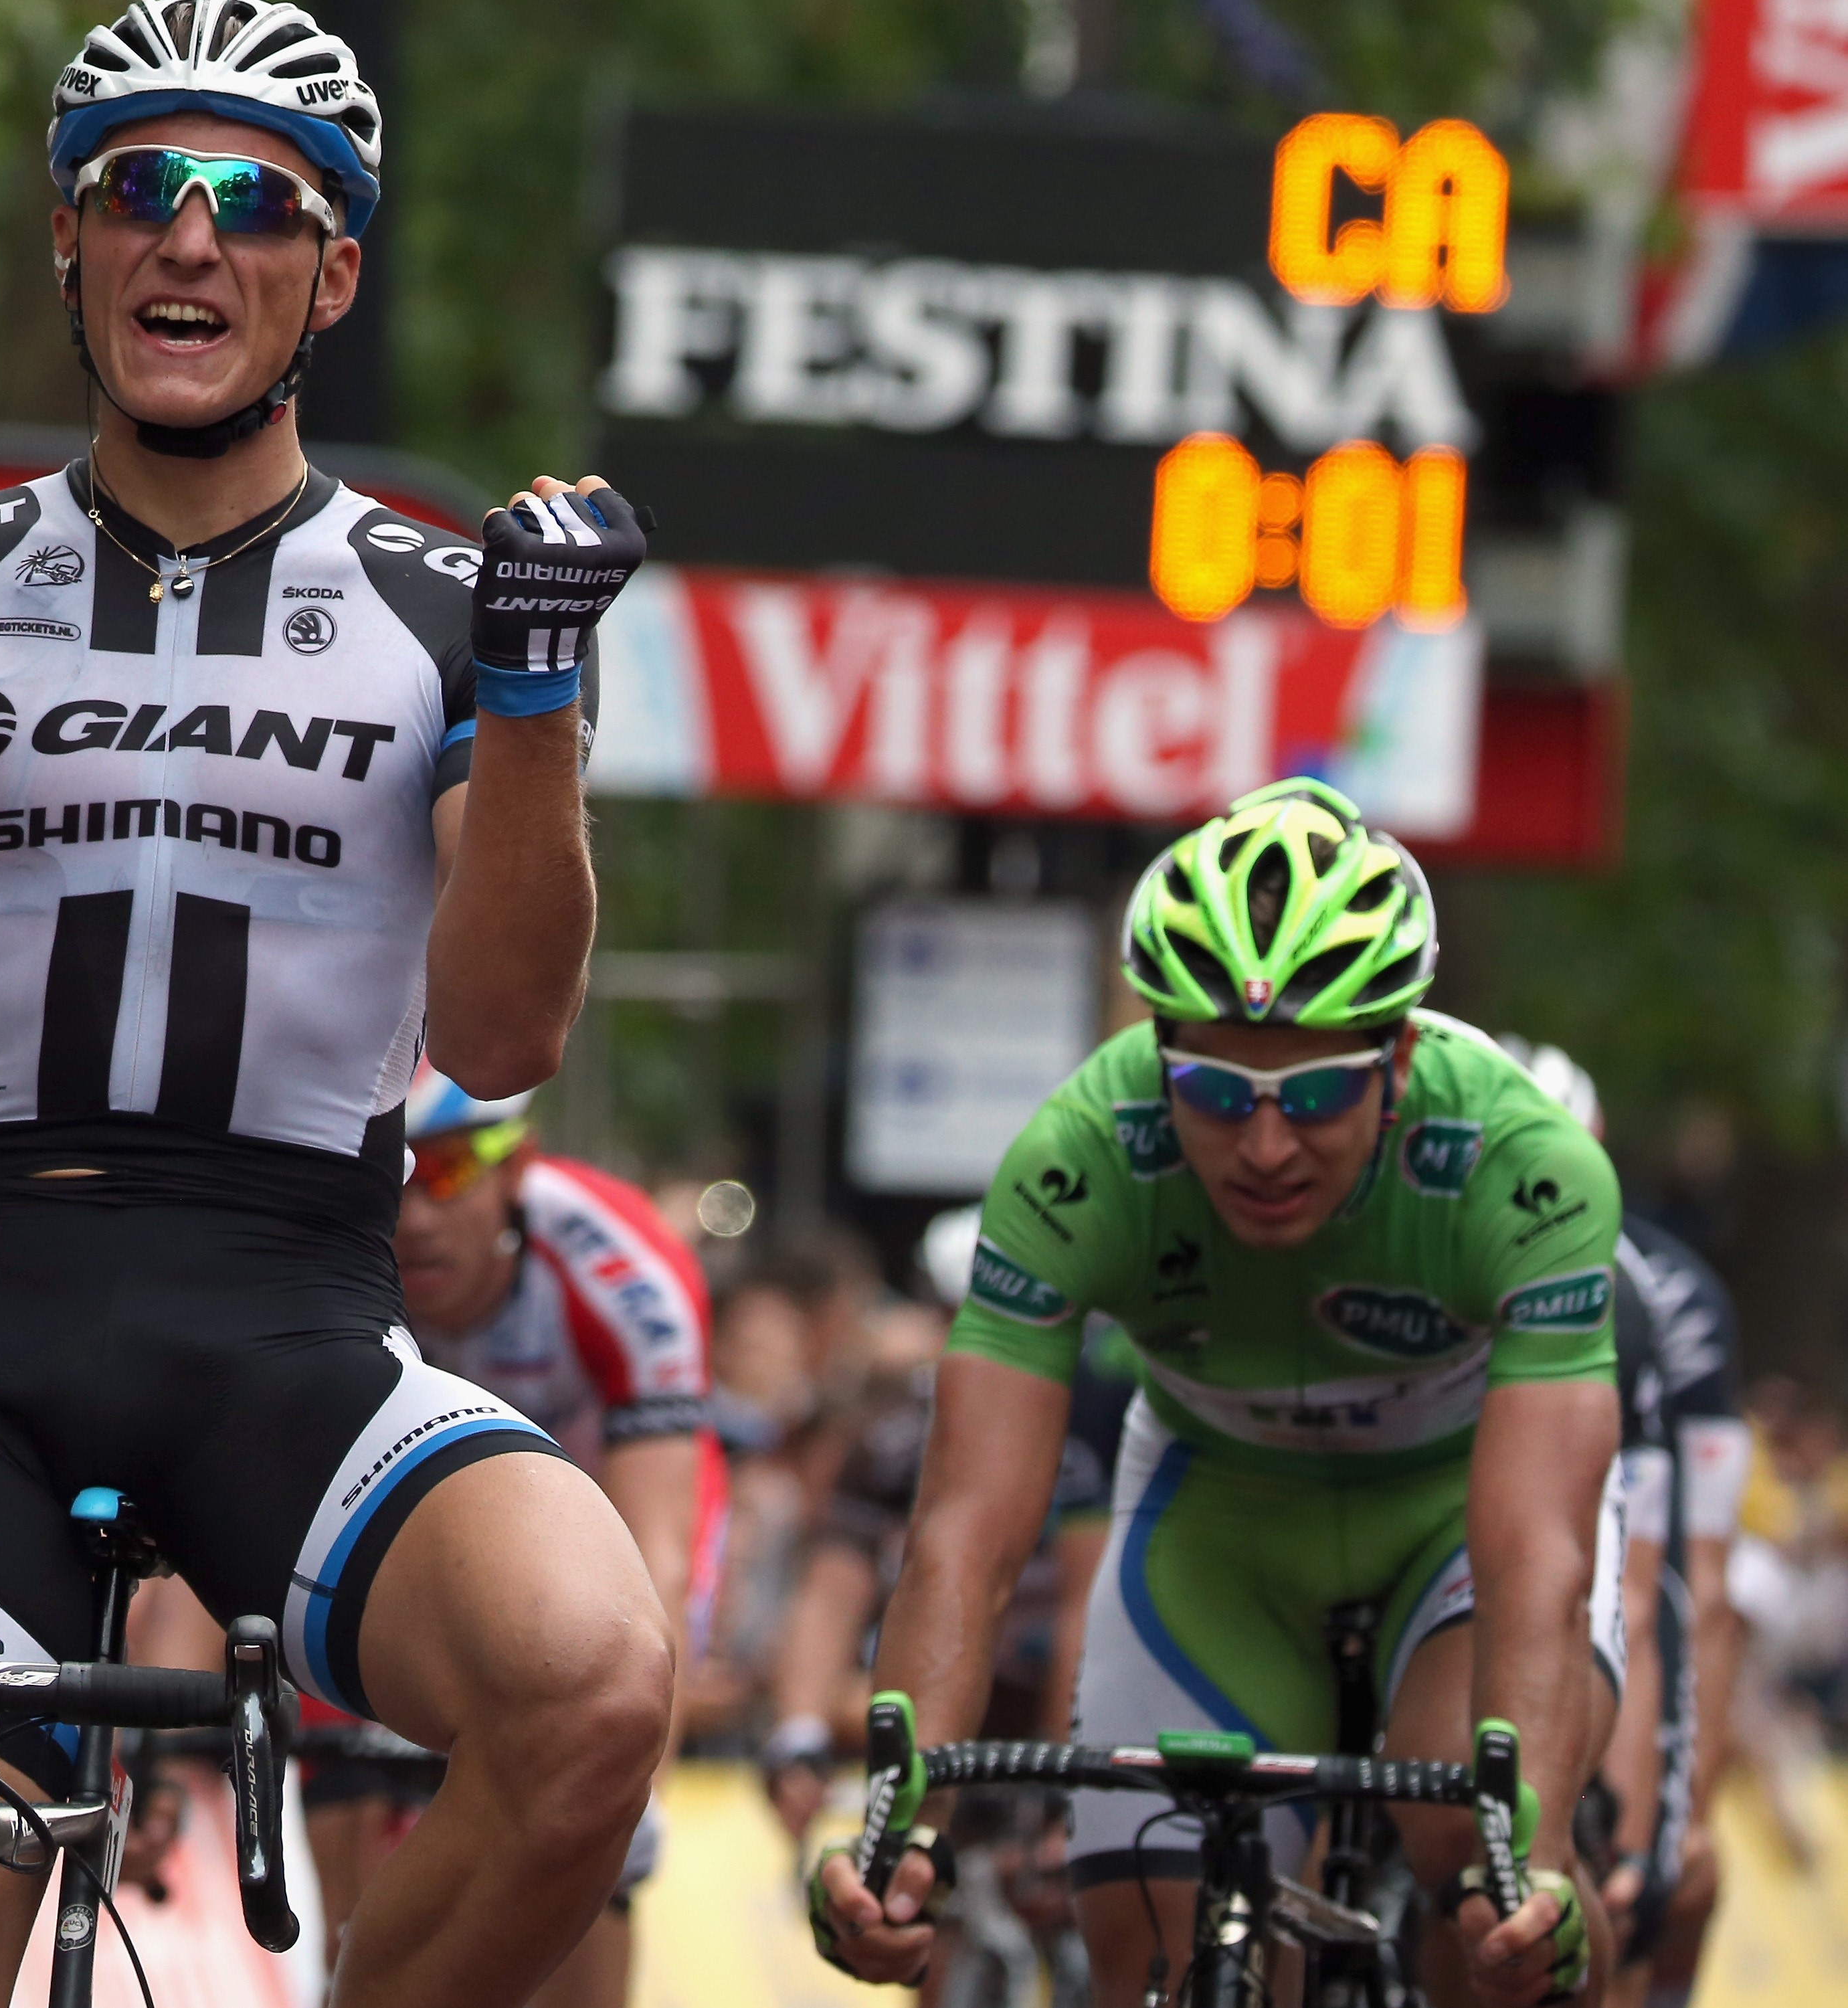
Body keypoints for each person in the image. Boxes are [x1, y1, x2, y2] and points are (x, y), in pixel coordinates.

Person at [0, 0, 662, 2008]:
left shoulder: (432, 609)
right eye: (138, 187)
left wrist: (541, 711)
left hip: (292, 1324)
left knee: (588, 1687)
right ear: (68, 239)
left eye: (254, 199)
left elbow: (499, 1043)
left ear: (333, 271)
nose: (189, 235)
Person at [810, 778, 1623, 2008]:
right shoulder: (1076, 1157)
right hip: (1216, 1521)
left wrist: (1539, 1848)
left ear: (1398, 1055)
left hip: (1451, 1522)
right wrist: (900, 1827)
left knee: (1484, 1873)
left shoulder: (1526, 1167)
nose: (1263, 1146)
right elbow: (966, 1532)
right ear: (1157, 1055)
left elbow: (1538, 1550)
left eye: (1313, 1093)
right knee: (1142, 1910)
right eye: (1211, 1092)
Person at [300, 1070, 715, 2008]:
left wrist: (634, 1783)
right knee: (357, 1895)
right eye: (389, 1176)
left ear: (516, 1169)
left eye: (444, 1175)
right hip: (407, 1534)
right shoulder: (325, 1257)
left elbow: (661, 1556)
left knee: (591, 1792)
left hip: (603, 1513)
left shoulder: (622, 1265)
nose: (414, 1215)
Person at [1501, 1040, 1751, 2008]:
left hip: (1607, 1559)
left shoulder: (1666, 1303)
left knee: (1659, 1872)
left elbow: (1689, 1581)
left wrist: (1659, 1826)